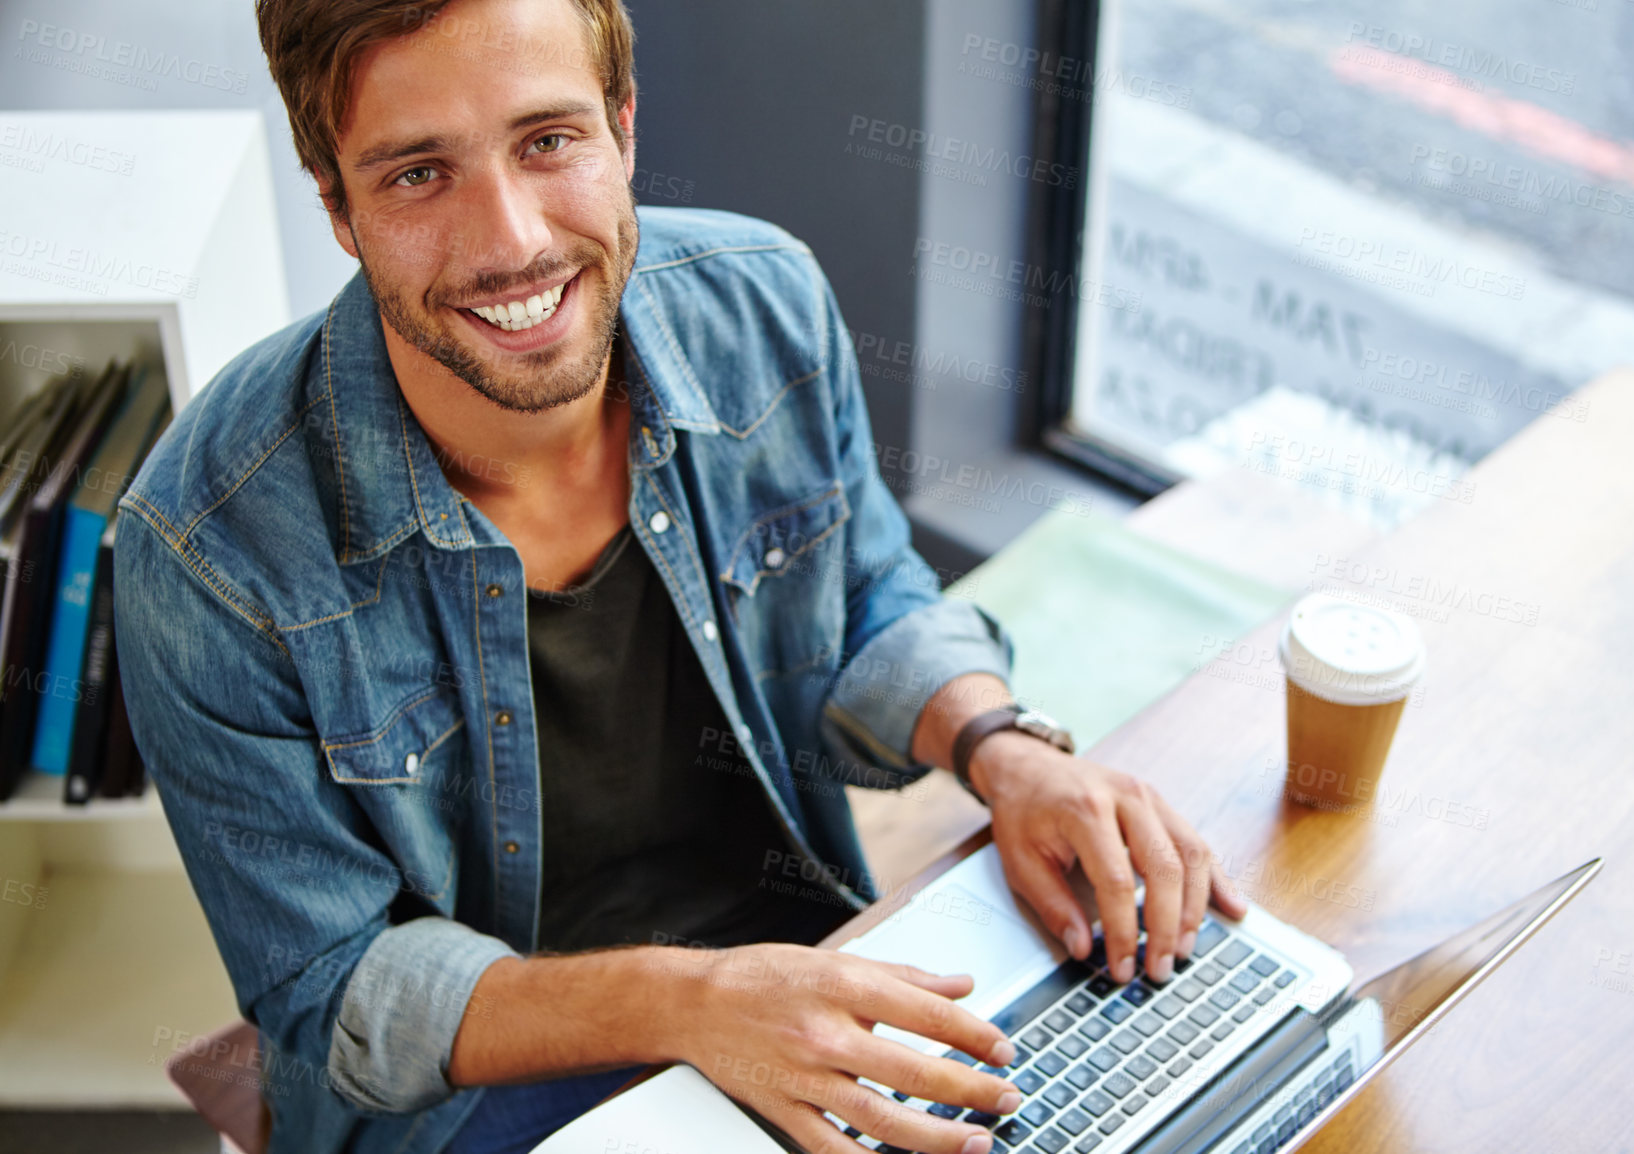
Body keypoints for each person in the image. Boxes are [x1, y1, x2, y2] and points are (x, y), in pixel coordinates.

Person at [113, 1, 1245, 1151]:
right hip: (470, 1099)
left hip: (795, 957)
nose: (509, 241)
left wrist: (1004, 749)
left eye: (547, 141)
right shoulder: (204, 546)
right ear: (334, 201)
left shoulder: (767, 304)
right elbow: (334, 989)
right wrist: (695, 1003)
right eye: (416, 174)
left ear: (623, 127)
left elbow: (863, 592)